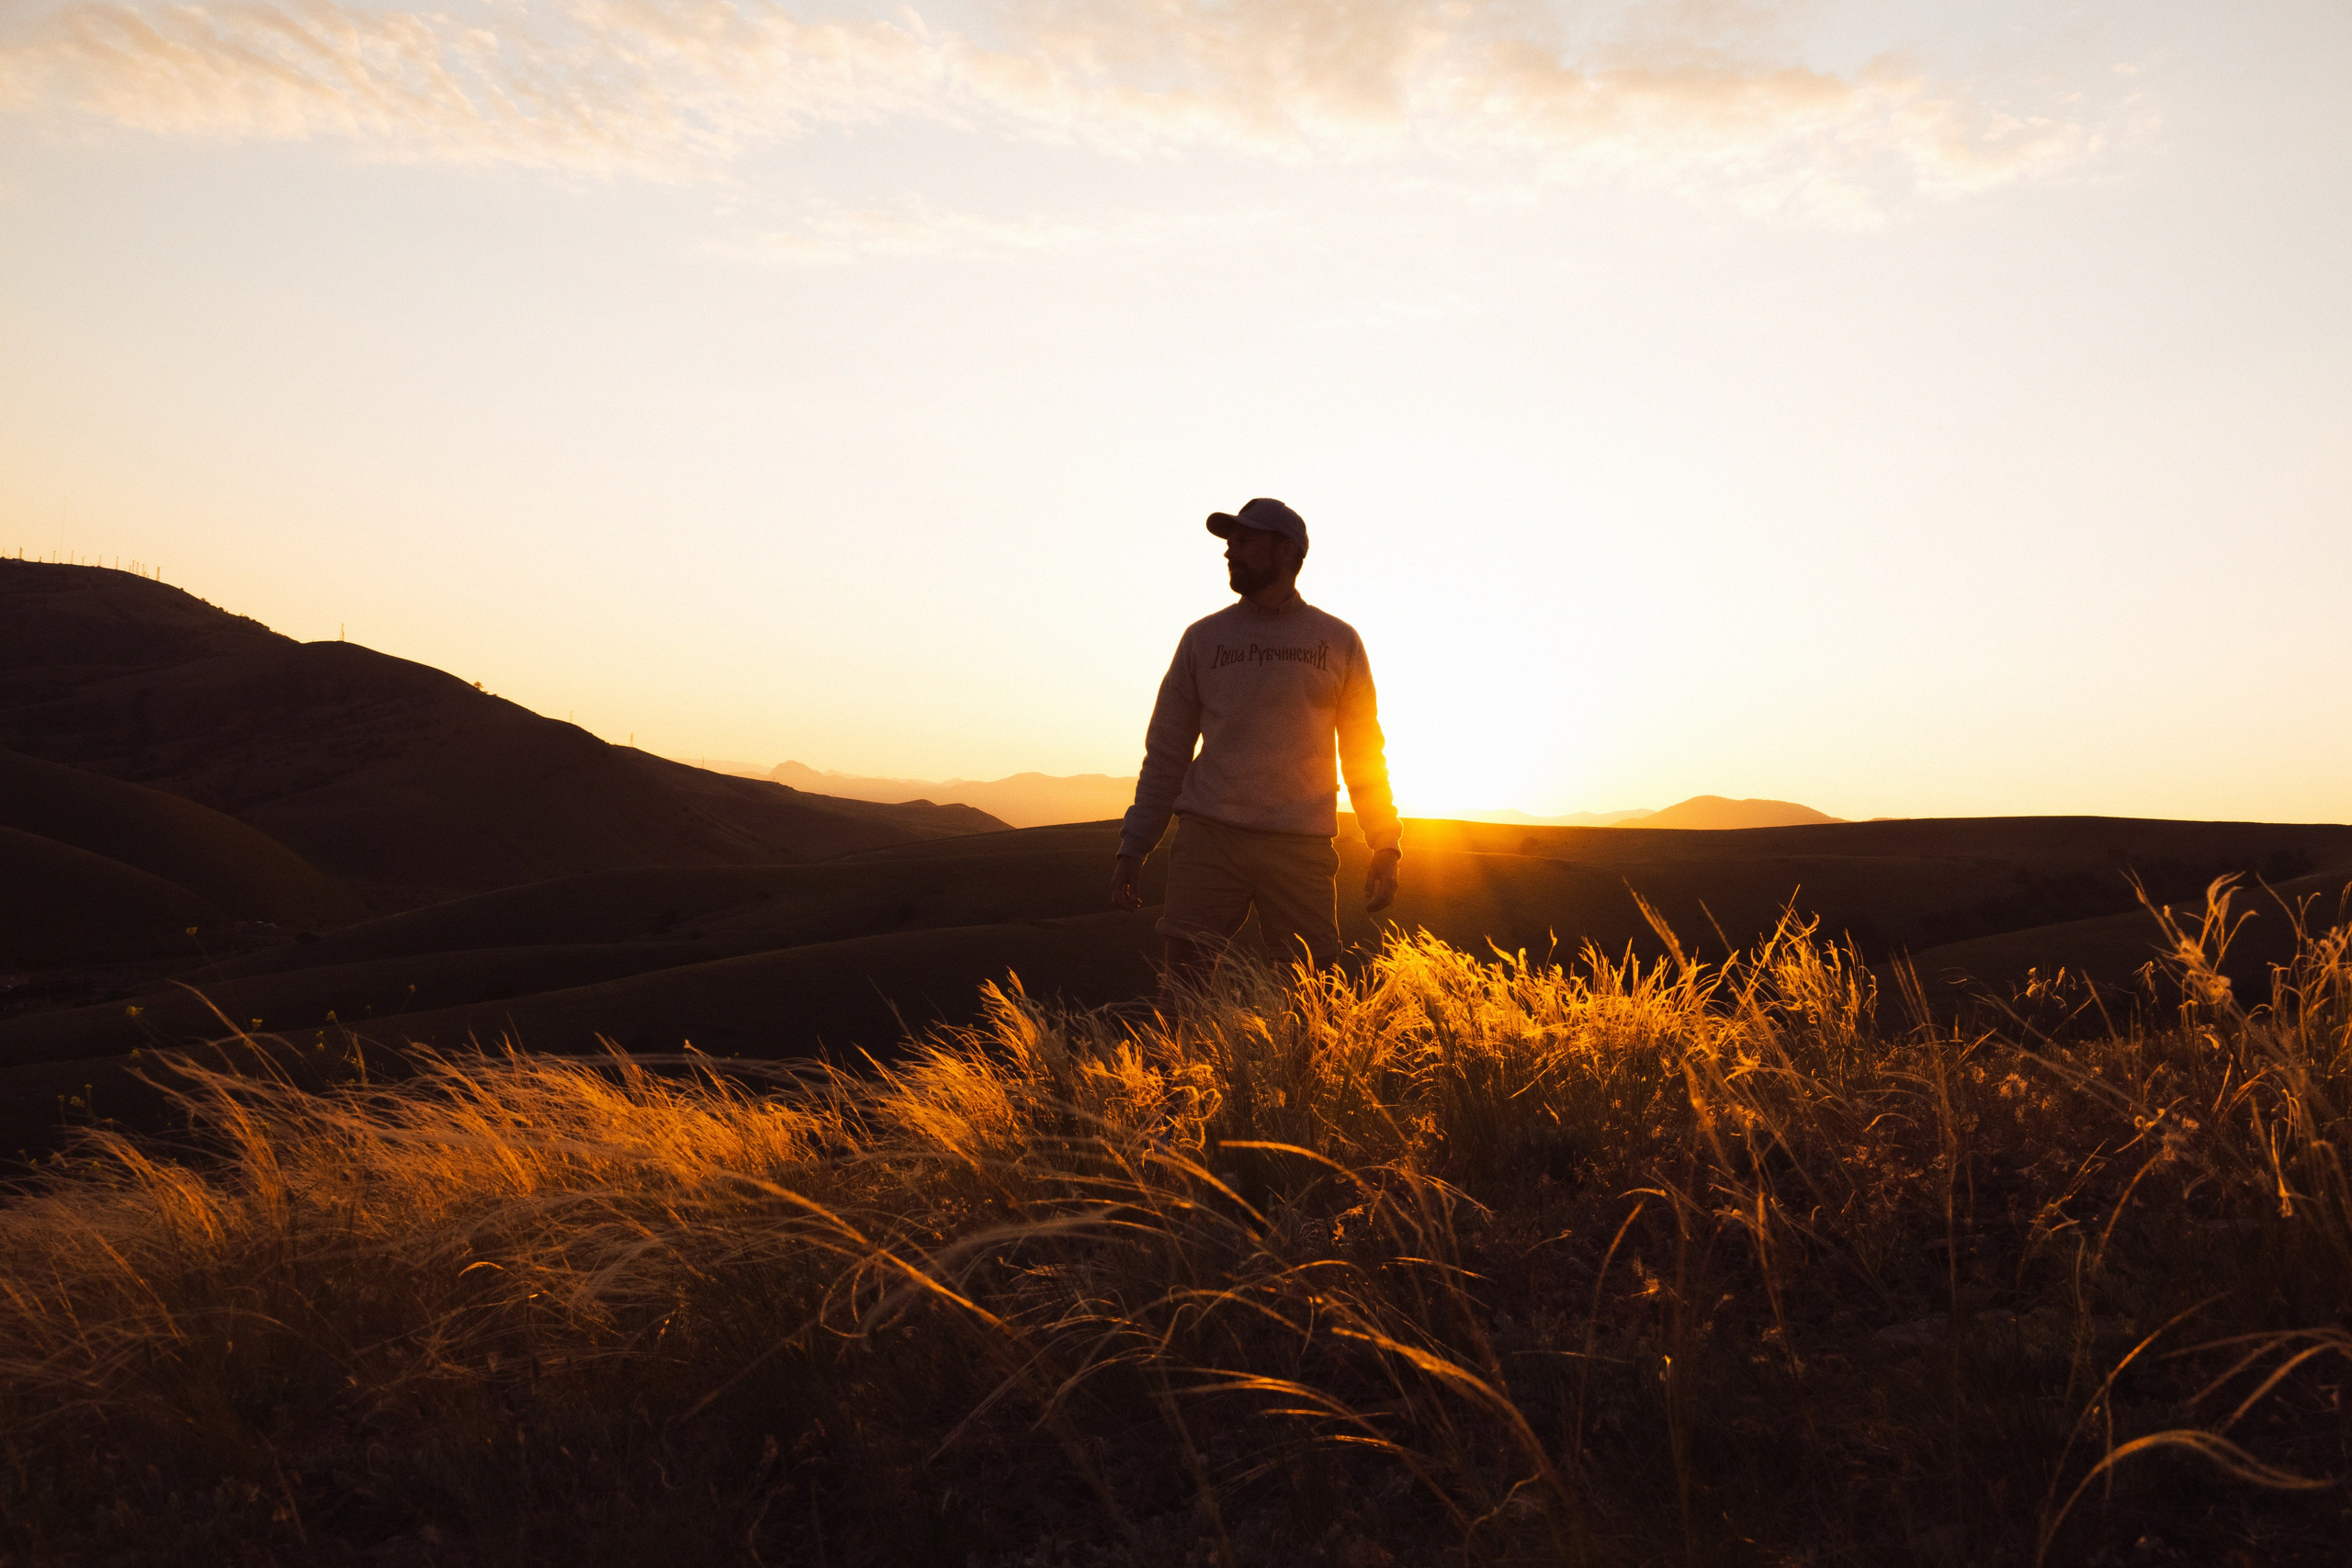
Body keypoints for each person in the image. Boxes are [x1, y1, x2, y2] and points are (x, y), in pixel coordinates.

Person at [1109, 497, 1402, 989]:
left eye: (1244, 541)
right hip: (1209, 840)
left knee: (1311, 1000)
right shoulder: (1203, 639)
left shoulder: (1338, 641)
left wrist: (1385, 841)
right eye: (1229, 543)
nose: (1230, 553)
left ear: (1286, 552)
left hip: (1300, 846)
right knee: (1183, 993)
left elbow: (1362, 751)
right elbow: (1166, 752)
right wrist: (1133, 849)